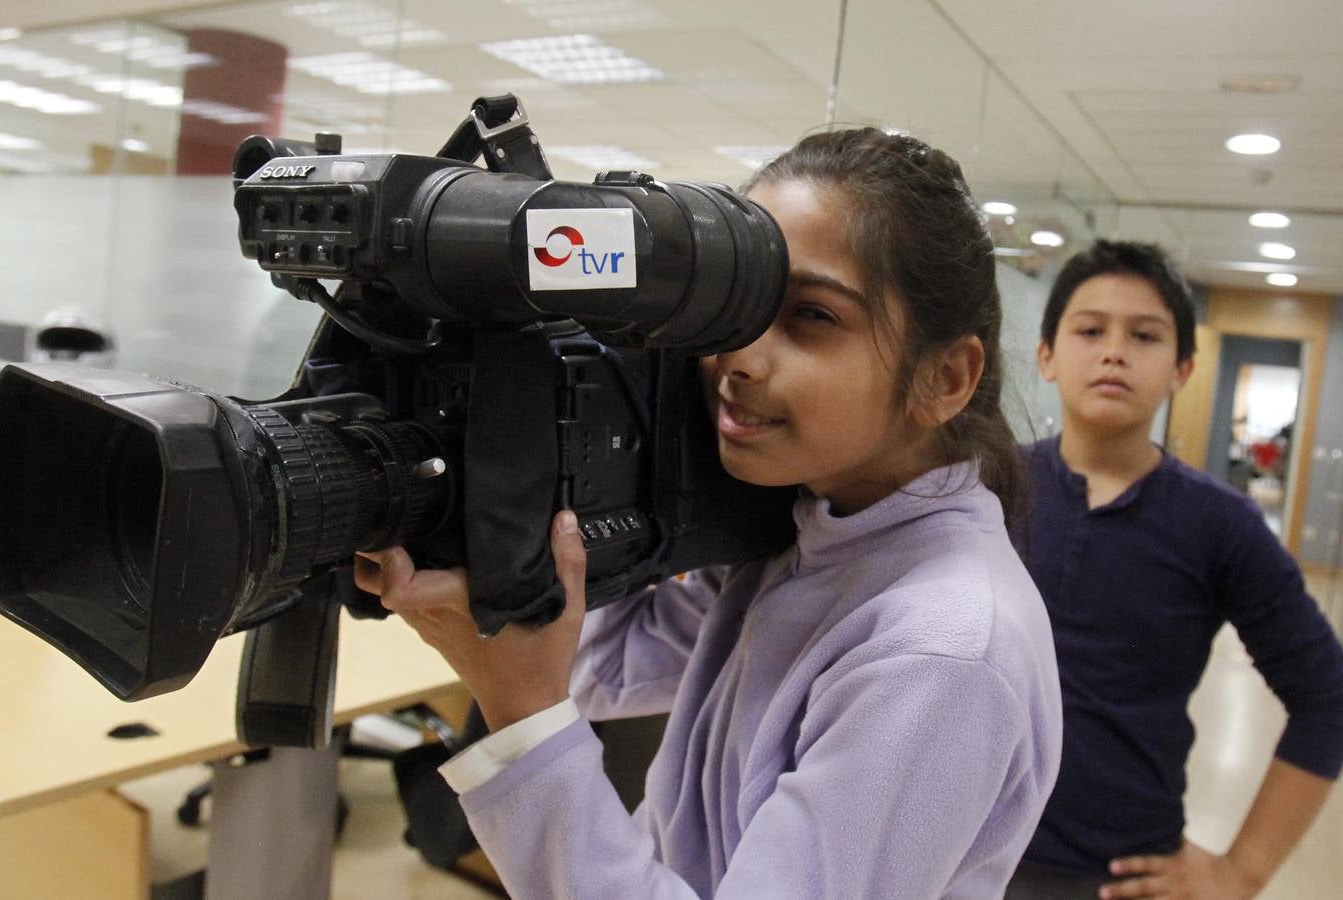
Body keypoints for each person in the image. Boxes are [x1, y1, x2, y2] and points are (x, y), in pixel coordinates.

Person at [354, 128, 1063, 898]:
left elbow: (562, 692)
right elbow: (607, 669)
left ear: (944, 377)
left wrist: (521, 711)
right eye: (737, 309)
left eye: (811, 318)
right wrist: (519, 516)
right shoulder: (805, 532)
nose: (740, 357)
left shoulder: (937, 655)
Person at [1008, 240, 1343, 899]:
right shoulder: (988, 489)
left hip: (1114, 872)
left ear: (1181, 368)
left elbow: (1326, 700)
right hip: (960, 848)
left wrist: (1242, 871)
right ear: (1046, 355)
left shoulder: (1218, 524)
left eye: (1144, 335)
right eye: (1089, 330)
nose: (1113, 350)